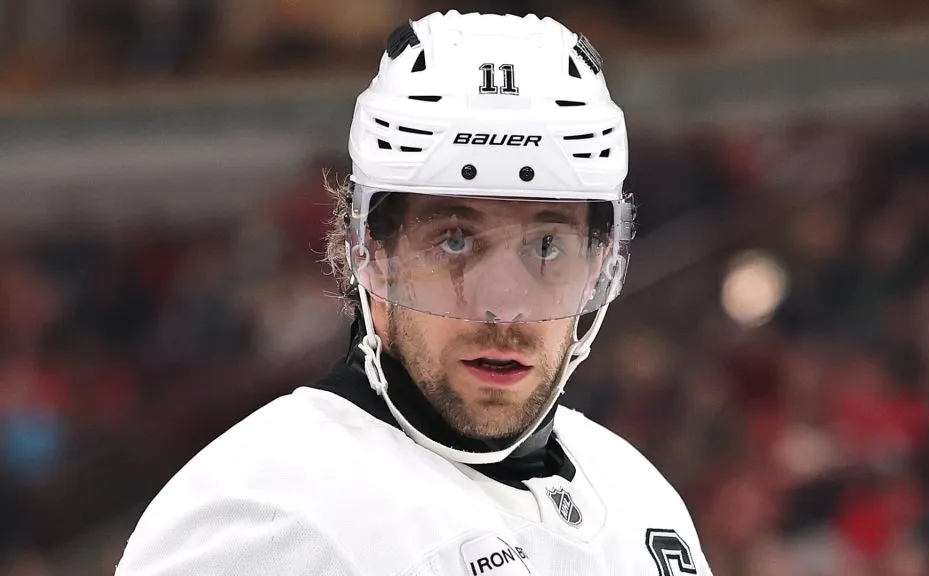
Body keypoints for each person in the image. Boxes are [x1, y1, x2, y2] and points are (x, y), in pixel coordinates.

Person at [115, 11, 713, 576]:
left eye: (547, 248)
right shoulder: (268, 515)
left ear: (600, 263)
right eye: (454, 242)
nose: (502, 306)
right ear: (367, 252)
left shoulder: (638, 497)